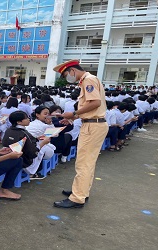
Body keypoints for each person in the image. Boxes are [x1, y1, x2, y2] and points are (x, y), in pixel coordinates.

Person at [53, 59, 108, 208]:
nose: (67, 78)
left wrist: (74, 112)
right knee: (88, 162)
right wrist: (73, 117)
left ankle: (77, 198)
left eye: (66, 75)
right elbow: (92, 107)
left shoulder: (88, 80)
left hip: (92, 127)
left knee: (83, 163)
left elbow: (95, 103)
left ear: (72, 71)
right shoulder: (89, 80)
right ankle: (81, 191)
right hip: (93, 124)